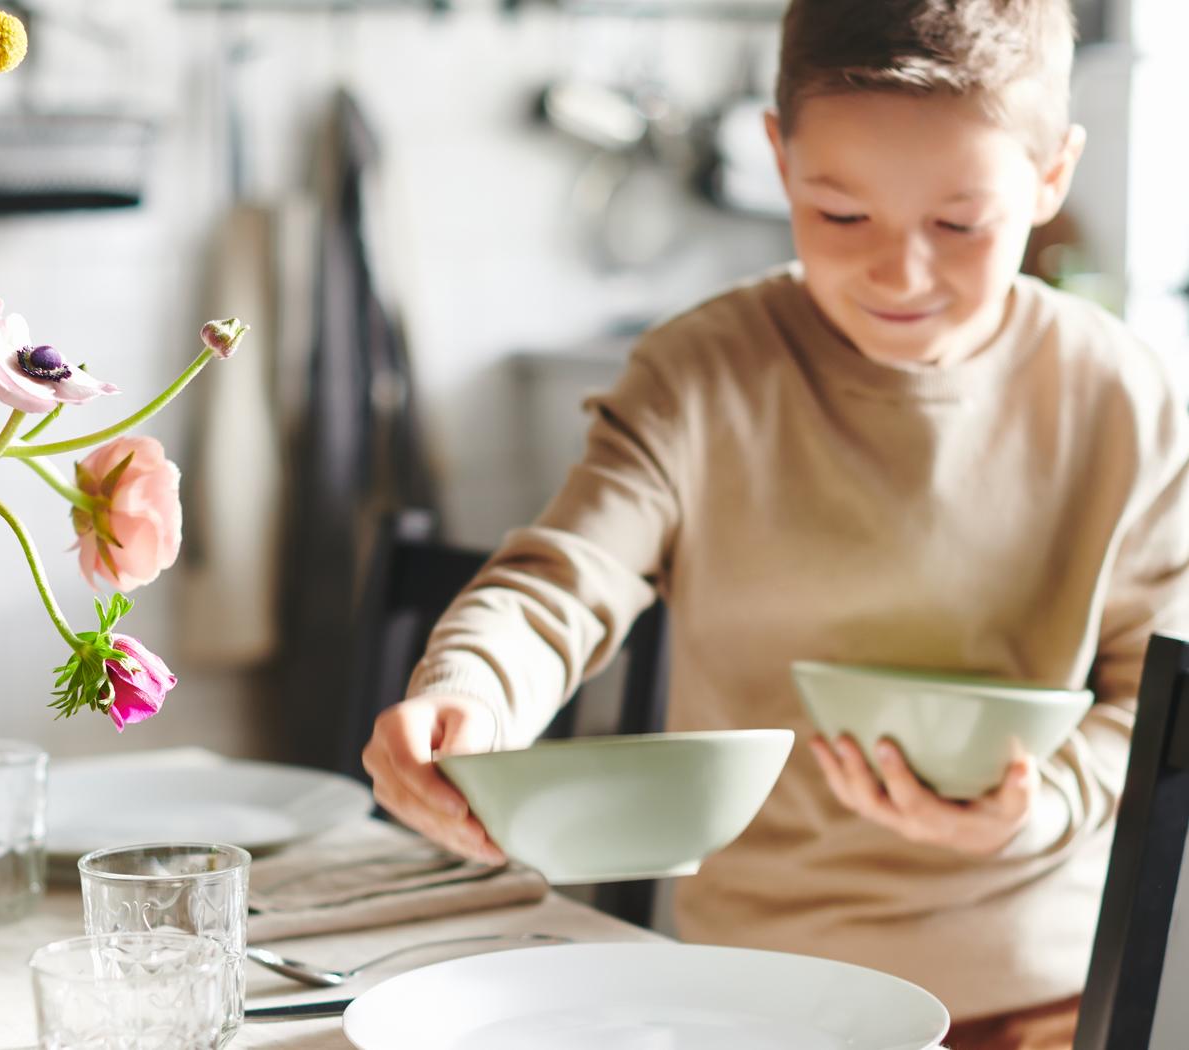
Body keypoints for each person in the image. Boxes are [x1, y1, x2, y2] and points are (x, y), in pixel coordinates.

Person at [361, 1, 1189, 1046]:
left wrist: (1039, 807)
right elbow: (560, 581)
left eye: (959, 225)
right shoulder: (701, 373)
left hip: (1041, 997)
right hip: (749, 997)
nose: (901, 273)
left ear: (1050, 177)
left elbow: (1147, 698)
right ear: (774, 156)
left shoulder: (1122, 395)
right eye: (840, 216)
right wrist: (468, 689)